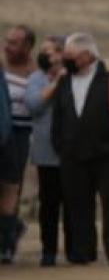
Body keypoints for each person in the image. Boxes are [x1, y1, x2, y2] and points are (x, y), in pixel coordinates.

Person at [52, 32, 109, 264]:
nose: (66, 60)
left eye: (71, 56)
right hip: (72, 154)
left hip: (107, 152)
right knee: (78, 205)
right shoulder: (63, 81)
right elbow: (58, 115)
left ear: (87, 55)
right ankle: (82, 253)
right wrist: (60, 145)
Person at [24, 34, 70, 266]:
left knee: (73, 204)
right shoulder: (36, 78)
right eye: (42, 50)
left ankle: (76, 250)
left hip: (71, 153)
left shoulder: (74, 76)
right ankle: (48, 251)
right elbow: (33, 104)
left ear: (62, 53)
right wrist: (56, 83)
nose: (44, 55)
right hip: (45, 153)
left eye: (49, 50)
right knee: (49, 205)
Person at [1, 24, 36, 263]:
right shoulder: (1, 66)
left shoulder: (35, 72)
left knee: (11, 188)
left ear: (27, 47)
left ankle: (7, 241)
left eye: (14, 43)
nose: (7, 47)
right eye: (6, 41)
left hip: (20, 135)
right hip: (1, 130)